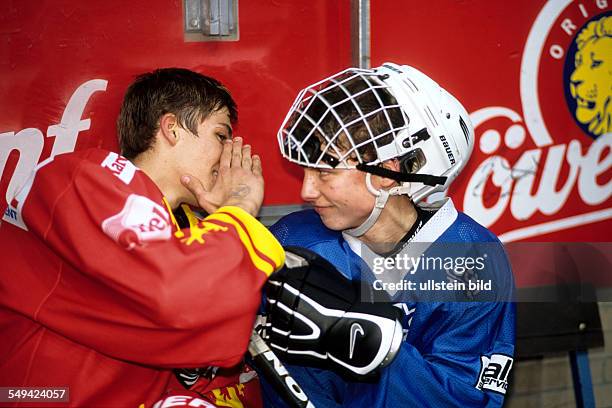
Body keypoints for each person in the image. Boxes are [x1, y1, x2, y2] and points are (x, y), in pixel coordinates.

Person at [0, 68, 285, 407]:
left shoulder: (176, 225)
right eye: (221, 136)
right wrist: (239, 207)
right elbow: (176, 296)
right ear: (172, 129)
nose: (227, 155)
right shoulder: (87, 176)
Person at [257, 62, 515, 407]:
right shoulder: (293, 239)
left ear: (387, 174)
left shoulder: (473, 260)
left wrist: (372, 345)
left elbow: (463, 399)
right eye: (305, 169)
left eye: (324, 170)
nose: (306, 190)